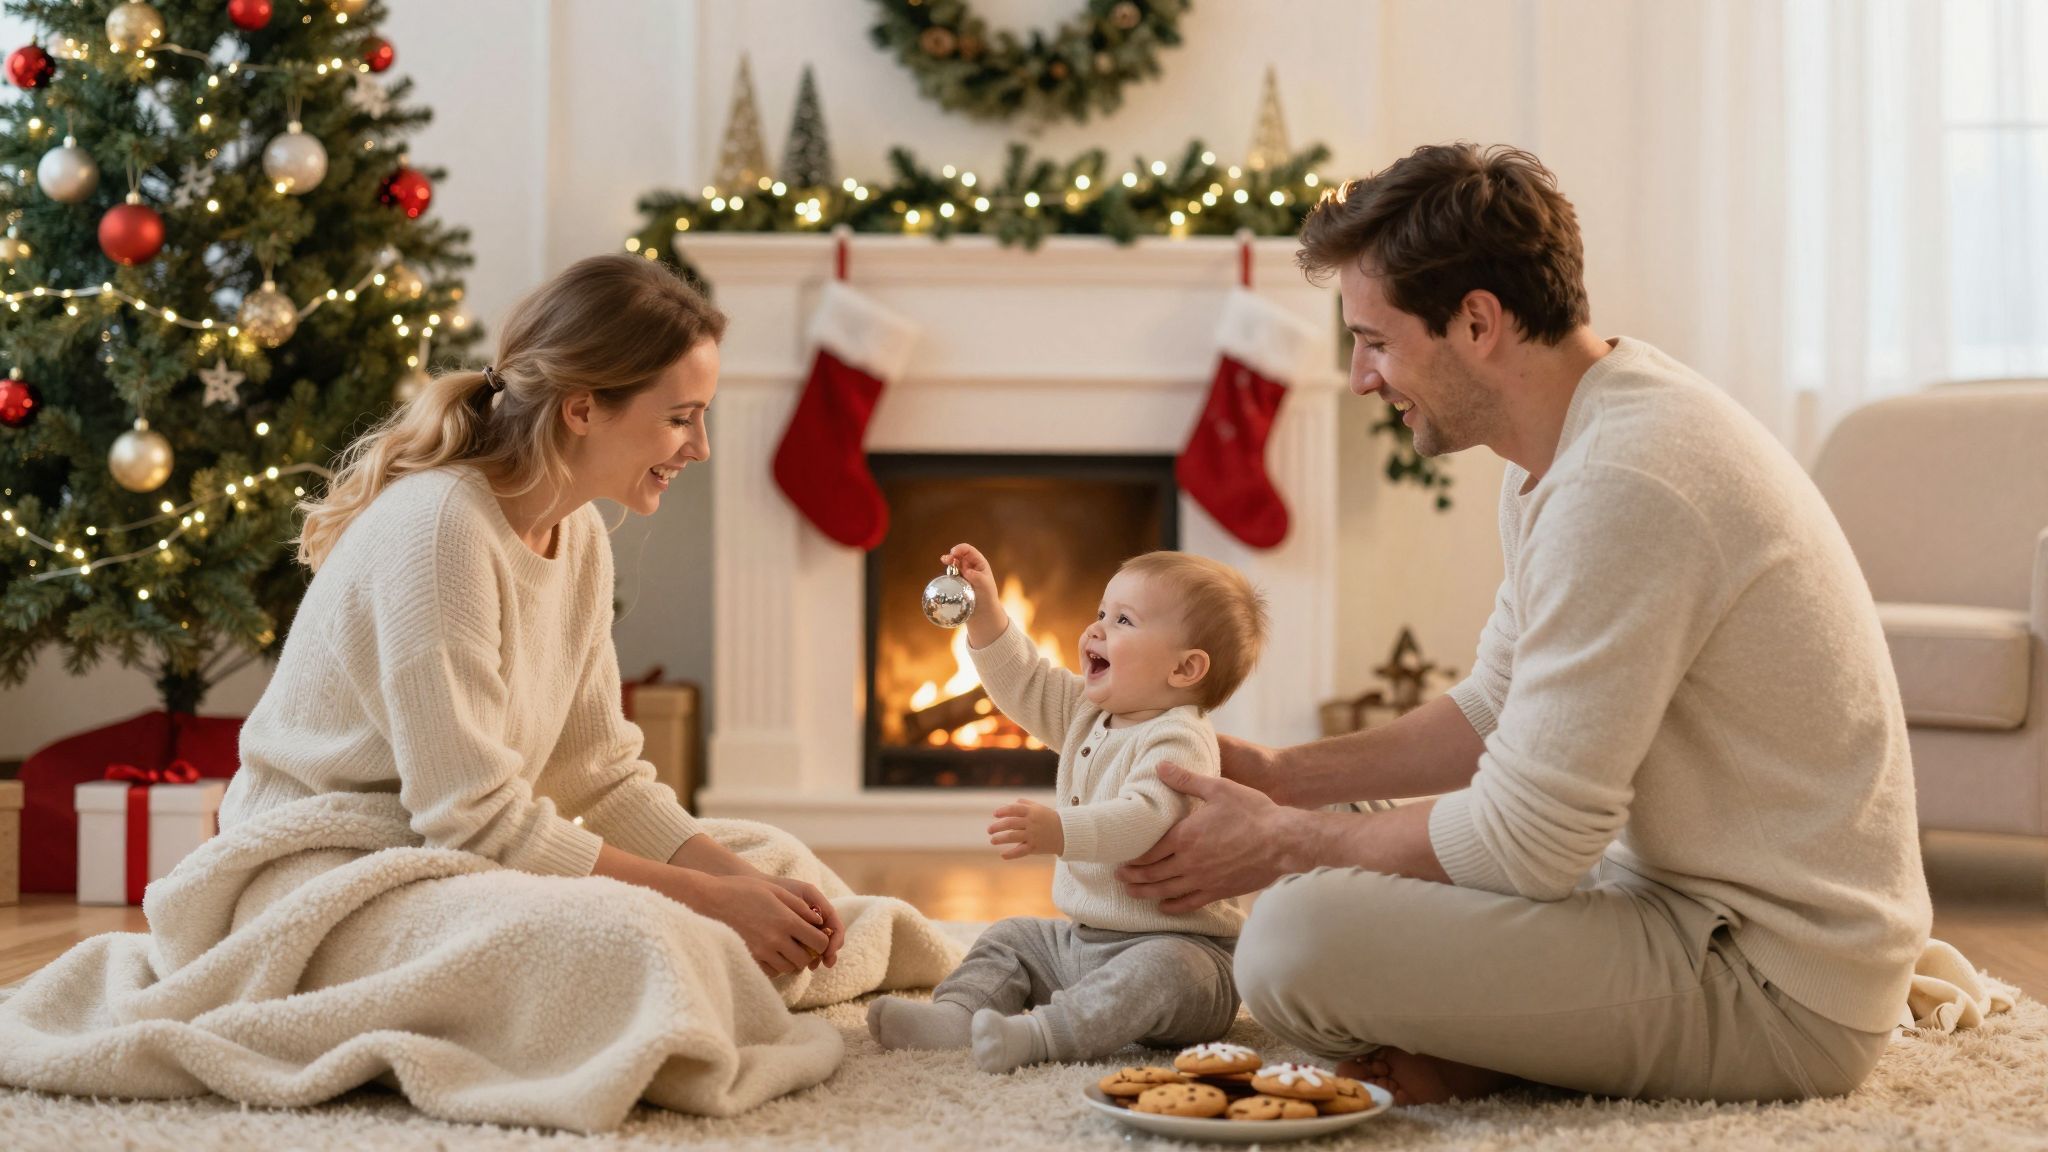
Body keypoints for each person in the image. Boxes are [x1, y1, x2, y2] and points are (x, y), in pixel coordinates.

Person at [1114, 144, 1932, 1104]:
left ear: (1477, 321)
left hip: (1773, 984)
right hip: (1662, 899)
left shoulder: (1626, 483)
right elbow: (1497, 706)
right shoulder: (1570, 442)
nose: (1362, 378)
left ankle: (1504, 1047)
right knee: (1320, 833)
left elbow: (1529, 843)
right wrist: (1285, 779)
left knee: (1293, 940)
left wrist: (1285, 841)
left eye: (1375, 341)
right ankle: (1503, 1043)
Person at [224, 252, 844, 978]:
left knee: (777, 863)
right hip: (325, 878)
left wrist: (739, 885)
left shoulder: (577, 534)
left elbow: (597, 776)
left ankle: (838, 969)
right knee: (649, 936)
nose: (700, 449)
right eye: (680, 419)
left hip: (441, 856)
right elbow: (475, 821)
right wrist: (707, 901)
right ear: (582, 409)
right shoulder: (441, 532)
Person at [867, 546, 1268, 1073]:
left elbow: (1144, 817)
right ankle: (956, 1016)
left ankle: (1041, 1035)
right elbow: (1026, 681)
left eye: (1123, 620)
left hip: (1186, 956)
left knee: (1161, 968)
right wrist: (985, 612)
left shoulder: (1180, 737)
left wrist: (1061, 830)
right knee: (1011, 937)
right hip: (1083, 942)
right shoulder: (1088, 710)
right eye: (1101, 612)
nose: (1095, 629)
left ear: (1184, 667)